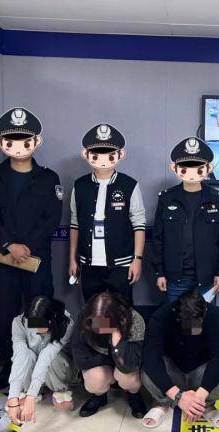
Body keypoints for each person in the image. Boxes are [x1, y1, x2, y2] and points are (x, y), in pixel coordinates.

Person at [0, 107, 62, 390]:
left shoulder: (48, 178)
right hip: (4, 261)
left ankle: (41, 368)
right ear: (1, 142)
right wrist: (9, 245)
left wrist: (27, 247)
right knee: (6, 314)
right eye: (11, 140)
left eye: (25, 140)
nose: (18, 146)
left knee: (39, 313)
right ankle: (10, 365)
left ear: (36, 142)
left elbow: (52, 218)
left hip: (37, 260)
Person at [69, 124, 146, 302]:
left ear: (120, 155)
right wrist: (72, 259)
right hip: (89, 264)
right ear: (86, 155)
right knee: (93, 311)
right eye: (97, 154)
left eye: (109, 155)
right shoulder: (80, 185)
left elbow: (139, 224)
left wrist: (137, 259)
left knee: (122, 311)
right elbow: (75, 223)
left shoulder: (129, 185)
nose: (103, 160)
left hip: (121, 265)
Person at [152, 137, 219, 302]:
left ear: (208, 168)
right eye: (185, 167)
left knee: (206, 317)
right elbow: (158, 239)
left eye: (198, 168)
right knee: (177, 316)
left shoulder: (218, 200)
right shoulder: (166, 199)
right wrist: (160, 272)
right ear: (175, 168)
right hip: (175, 278)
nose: (191, 172)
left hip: (208, 278)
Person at [141, 289, 219, 429]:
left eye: (197, 323)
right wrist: (178, 396)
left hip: (200, 368)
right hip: (172, 367)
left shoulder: (211, 314)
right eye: (189, 325)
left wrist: (200, 397)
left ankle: (205, 405)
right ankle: (162, 403)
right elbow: (151, 358)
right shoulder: (161, 317)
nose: (194, 329)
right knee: (147, 374)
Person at [71, 291, 147, 418]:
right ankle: (99, 396)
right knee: (94, 379)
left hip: (123, 365)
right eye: (96, 322)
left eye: (104, 323)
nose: (99, 327)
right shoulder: (85, 317)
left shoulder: (134, 319)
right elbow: (80, 359)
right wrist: (109, 363)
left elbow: (131, 364)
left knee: (127, 376)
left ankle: (133, 394)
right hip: (100, 364)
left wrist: (117, 342)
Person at [6, 295, 76, 424]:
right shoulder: (19, 322)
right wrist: (12, 398)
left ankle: (60, 390)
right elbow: (20, 356)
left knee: (53, 358)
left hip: (57, 369)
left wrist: (30, 397)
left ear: (52, 319)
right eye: (33, 324)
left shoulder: (65, 323)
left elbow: (47, 355)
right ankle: (29, 390)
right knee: (25, 354)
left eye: (41, 324)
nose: (37, 329)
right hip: (33, 366)